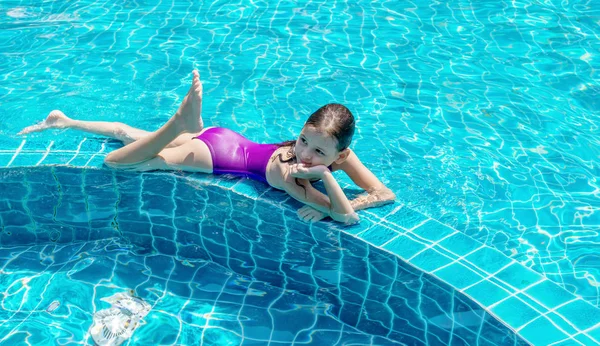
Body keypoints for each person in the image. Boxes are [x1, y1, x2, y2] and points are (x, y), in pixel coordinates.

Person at [18, 70, 395, 224]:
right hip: (215, 155)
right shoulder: (291, 173)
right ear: (300, 132)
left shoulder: (329, 160)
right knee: (121, 164)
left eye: (318, 152)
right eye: (302, 141)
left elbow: (383, 193)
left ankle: (62, 120)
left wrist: (332, 188)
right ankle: (177, 126)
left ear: (341, 155)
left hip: (225, 136)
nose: (305, 154)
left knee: (126, 132)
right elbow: (347, 218)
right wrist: (325, 190)